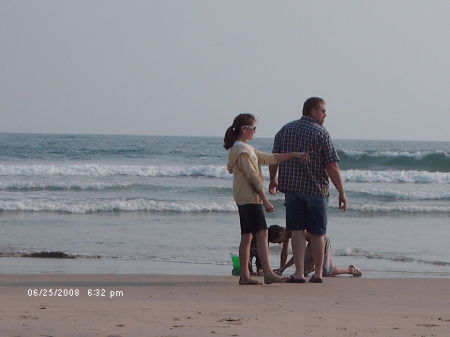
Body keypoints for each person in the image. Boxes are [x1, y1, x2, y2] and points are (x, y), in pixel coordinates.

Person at [224, 113, 310, 285]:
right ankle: (268, 273)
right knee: (261, 233)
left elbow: (271, 158)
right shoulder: (241, 150)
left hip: (244, 197)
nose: (254, 131)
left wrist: (294, 154)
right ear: (244, 129)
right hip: (249, 198)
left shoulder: (247, 148)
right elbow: (252, 177)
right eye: (253, 128)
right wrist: (265, 200)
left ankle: (245, 276)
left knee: (247, 236)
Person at [269, 97, 347, 283]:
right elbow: (331, 166)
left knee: (296, 231)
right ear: (313, 111)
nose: (325, 115)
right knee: (317, 233)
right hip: (316, 189)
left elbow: (275, 158)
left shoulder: (285, 130)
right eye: (323, 111)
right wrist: (342, 192)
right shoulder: (321, 133)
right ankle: (318, 273)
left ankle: (299, 273)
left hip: (292, 189)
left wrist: (273, 180)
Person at [268, 225, 362, 277]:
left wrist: (283, 268)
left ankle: (350, 269)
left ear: (280, 234)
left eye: (278, 241)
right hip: (312, 245)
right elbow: (284, 252)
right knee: (303, 271)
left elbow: (299, 254)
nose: (280, 243)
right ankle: (317, 266)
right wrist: (281, 269)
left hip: (322, 241)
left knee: (327, 272)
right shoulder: (287, 234)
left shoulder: (293, 231)